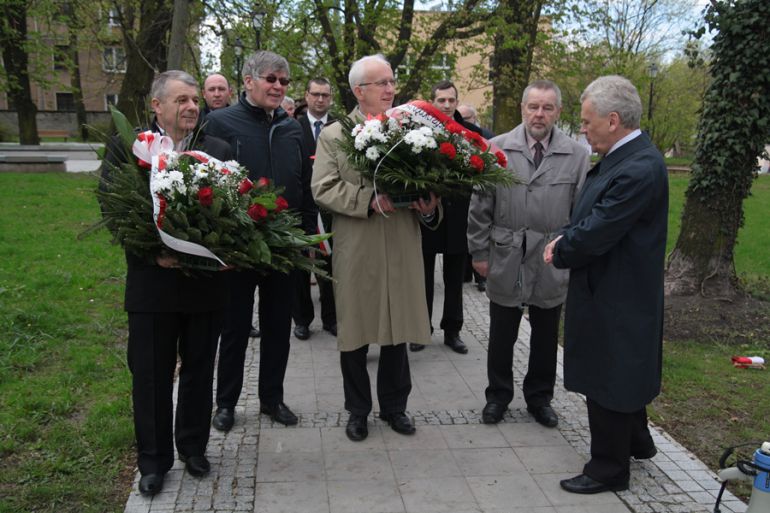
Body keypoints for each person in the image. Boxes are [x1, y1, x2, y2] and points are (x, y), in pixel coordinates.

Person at [99, 70, 233, 496]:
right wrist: (150, 252)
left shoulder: (218, 150)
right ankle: (153, 461)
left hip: (203, 285)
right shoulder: (130, 147)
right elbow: (112, 209)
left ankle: (193, 447)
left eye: (195, 99)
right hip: (152, 285)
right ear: (156, 106)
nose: (192, 106)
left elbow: (235, 213)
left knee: (197, 370)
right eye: (182, 100)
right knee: (151, 375)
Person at [543, 75, 667, 494]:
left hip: (617, 295)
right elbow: (592, 215)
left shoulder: (637, 167)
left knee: (611, 376)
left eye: (586, 121)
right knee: (622, 370)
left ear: (612, 120)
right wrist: (567, 235)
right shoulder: (626, 160)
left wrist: (562, 248)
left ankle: (608, 469)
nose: (582, 128)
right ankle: (636, 441)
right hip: (613, 288)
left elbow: (599, 230)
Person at [311, 54, 441, 442]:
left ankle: (395, 407)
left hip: (401, 240)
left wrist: (430, 204)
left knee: (398, 326)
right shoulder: (335, 134)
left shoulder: (410, 128)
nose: (390, 89)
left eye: (391, 81)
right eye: (380, 83)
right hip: (359, 243)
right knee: (355, 329)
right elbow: (323, 188)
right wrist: (368, 200)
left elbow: (430, 183)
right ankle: (358, 410)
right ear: (358, 91)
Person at [467, 79, 589, 429]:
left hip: (552, 256)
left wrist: (571, 255)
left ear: (558, 112)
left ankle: (539, 398)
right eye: (533, 106)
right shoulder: (496, 148)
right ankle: (497, 397)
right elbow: (479, 205)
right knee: (502, 331)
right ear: (523, 109)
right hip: (506, 253)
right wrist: (478, 252)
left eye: (547, 107)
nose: (539, 114)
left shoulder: (576, 155)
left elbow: (581, 211)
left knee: (546, 332)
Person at [205, 51, 316, 432]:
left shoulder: (292, 127)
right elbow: (208, 183)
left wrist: (307, 234)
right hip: (238, 244)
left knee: (276, 326)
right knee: (234, 327)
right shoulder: (218, 123)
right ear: (248, 81)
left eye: (284, 81)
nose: (279, 87)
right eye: (271, 79)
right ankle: (226, 403)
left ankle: (272, 398)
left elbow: (304, 183)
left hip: (283, 243)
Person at [408, 80, 482, 354]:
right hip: (428, 211)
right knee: (423, 275)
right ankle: (421, 330)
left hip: (460, 213)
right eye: (442, 100)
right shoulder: (418, 132)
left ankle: (453, 330)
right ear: (433, 102)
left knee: (455, 277)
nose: (447, 105)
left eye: (451, 100)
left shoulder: (472, 133)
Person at [292, 77, 337, 340]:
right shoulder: (293, 127)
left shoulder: (339, 126)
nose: (320, 99)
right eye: (316, 94)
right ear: (306, 96)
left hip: (330, 206)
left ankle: (331, 319)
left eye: (325, 95)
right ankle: (302, 320)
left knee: (329, 265)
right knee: (299, 267)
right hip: (300, 204)